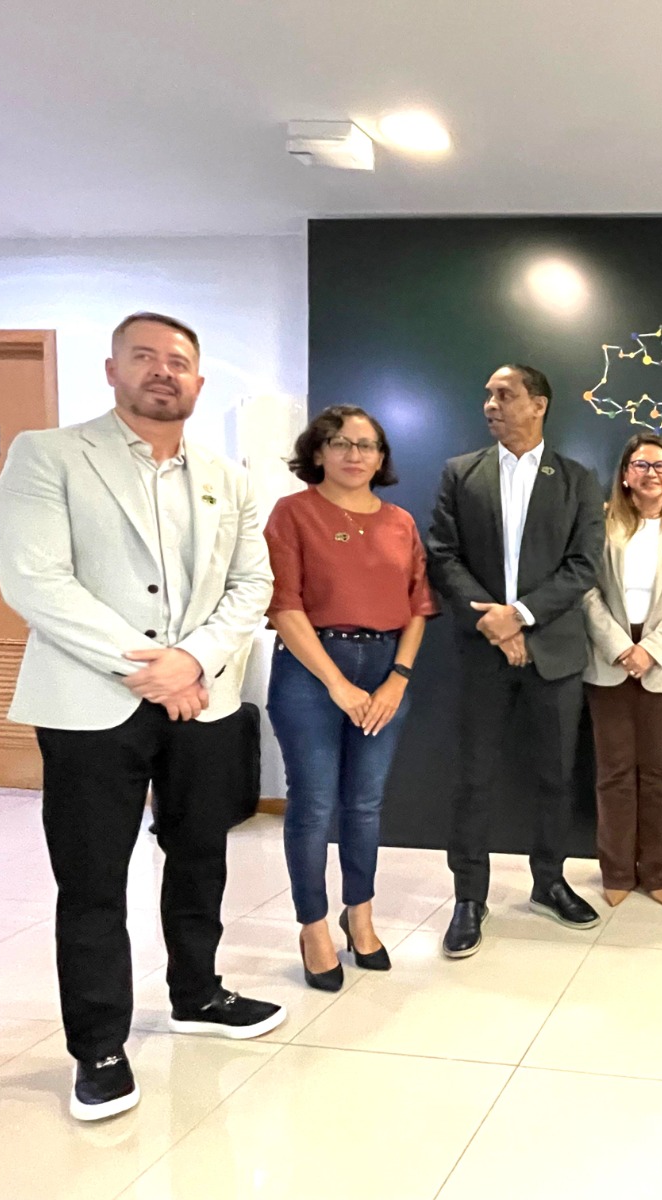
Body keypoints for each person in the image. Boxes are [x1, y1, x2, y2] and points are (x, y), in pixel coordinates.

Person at [0, 312, 286, 1122]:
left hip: (203, 700)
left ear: (199, 381)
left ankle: (198, 993)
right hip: (92, 704)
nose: (163, 371)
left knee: (200, 857)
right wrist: (151, 667)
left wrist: (193, 661)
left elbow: (250, 586)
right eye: (145, 357)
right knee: (92, 880)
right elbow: (34, 579)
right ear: (112, 370)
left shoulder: (228, 476)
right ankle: (99, 1047)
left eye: (179, 361)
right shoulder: (49, 455)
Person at [425, 364, 605, 956]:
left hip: (554, 653)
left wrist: (521, 616)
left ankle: (549, 882)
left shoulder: (578, 479)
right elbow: (443, 555)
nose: (491, 404)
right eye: (488, 394)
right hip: (482, 652)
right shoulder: (461, 473)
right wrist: (492, 622)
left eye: (504, 394)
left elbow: (583, 564)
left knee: (555, 776)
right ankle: (468, 898)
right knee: (473, 779)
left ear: (539, 404)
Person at [264, 405, 438, 991]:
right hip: (311, 672)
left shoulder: (400, 522)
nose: (354, 454)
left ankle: (358, 913)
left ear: (381, 457)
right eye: (340, 442)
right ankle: (313, 926)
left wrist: (397, 679)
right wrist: (337, 684)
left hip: (386, 668)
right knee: (313, 804)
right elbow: (284, 605)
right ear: (317, 451)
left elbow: (418, 606)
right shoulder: (293, 513)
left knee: (365, 804)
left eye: (367, 445)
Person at [582, 433, 662, 906]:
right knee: (613, 773)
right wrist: (620, 647)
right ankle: (616, 871)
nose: (650, 473)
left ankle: (657, 871)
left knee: (661, 775)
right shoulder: (600, 522)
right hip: (608, 661)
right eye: (640, 464)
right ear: (625, 474)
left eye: (660, 466)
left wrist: (650, 650)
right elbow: (586, 590)